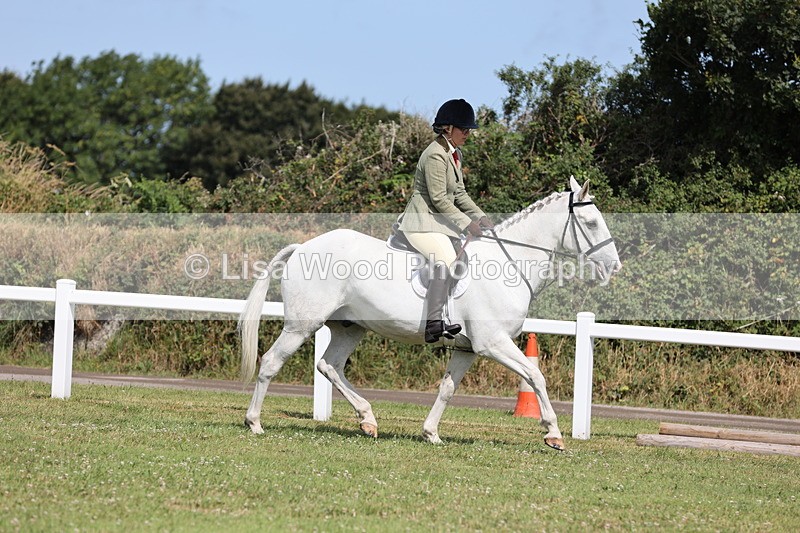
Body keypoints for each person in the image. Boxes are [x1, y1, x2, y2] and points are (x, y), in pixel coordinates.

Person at [398, 99, 493, 343]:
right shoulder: (435, 155)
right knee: (446, 258)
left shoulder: (454, 153)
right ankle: (433, 323)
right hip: (420, 223)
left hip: (438, 223)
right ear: (448, 128)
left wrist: (480, 216)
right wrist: (467, 224)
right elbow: (439, 199)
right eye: (464, 129)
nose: (468, 134)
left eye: (469, 129)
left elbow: (459, 194)